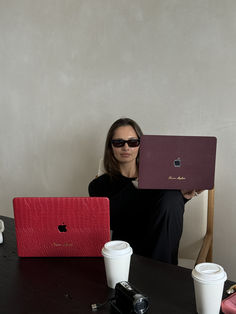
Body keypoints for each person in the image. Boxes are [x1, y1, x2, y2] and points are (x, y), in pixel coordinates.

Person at [88, 118, 200, 265]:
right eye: (119, 142)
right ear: (111, 147)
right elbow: (113, 220)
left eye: (133, 142)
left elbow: (168, 209)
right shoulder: (99, 186)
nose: (126, 148)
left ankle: (160, 274)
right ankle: (162, 276)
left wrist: (184, 194)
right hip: (126, 254)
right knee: (171, 196)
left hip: (159, 249)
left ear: (141, 146)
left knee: (172, 196)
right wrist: (137, 185)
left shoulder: (158, 179)